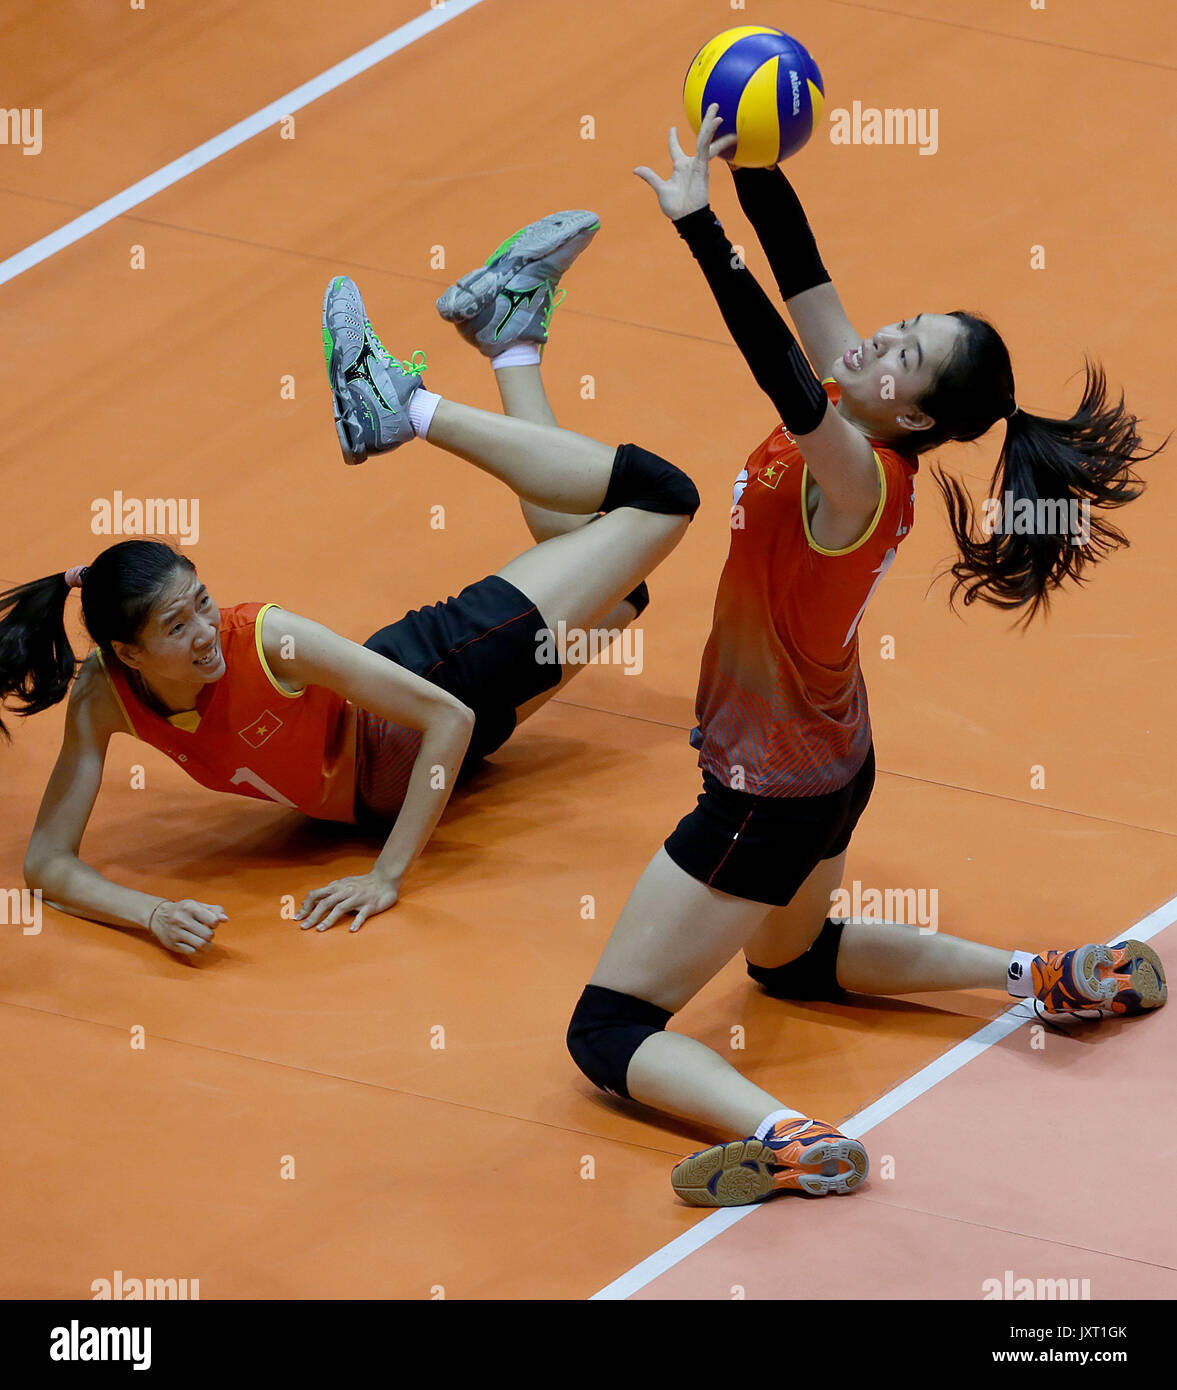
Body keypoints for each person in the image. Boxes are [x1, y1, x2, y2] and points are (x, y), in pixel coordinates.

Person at [563, 105, 1167, 1208]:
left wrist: (701, 233)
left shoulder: (855, 473)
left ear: (913, 411)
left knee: (607, 1028)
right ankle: (1040, 977)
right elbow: (804, 277)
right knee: (792, 960)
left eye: (901, 351)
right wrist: (748, 161)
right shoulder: (868, 400)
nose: (873, 339)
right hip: (833, 762)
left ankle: (789, 1135)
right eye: (897, 325)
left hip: (764, 788)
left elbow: (776, 369)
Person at [8, 213, 699, 956]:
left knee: (661, 499)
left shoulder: (267, 639)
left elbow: (448, 719)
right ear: (128, 653)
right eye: (176, 628)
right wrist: (148, 913)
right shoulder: (104, 694)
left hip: (439, 675)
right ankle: (511, 339)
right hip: (425, 777)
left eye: (201, 603)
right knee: (609, 571)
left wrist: (386, 876)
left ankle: (411, 408)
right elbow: (47, 863)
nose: (206, 632)